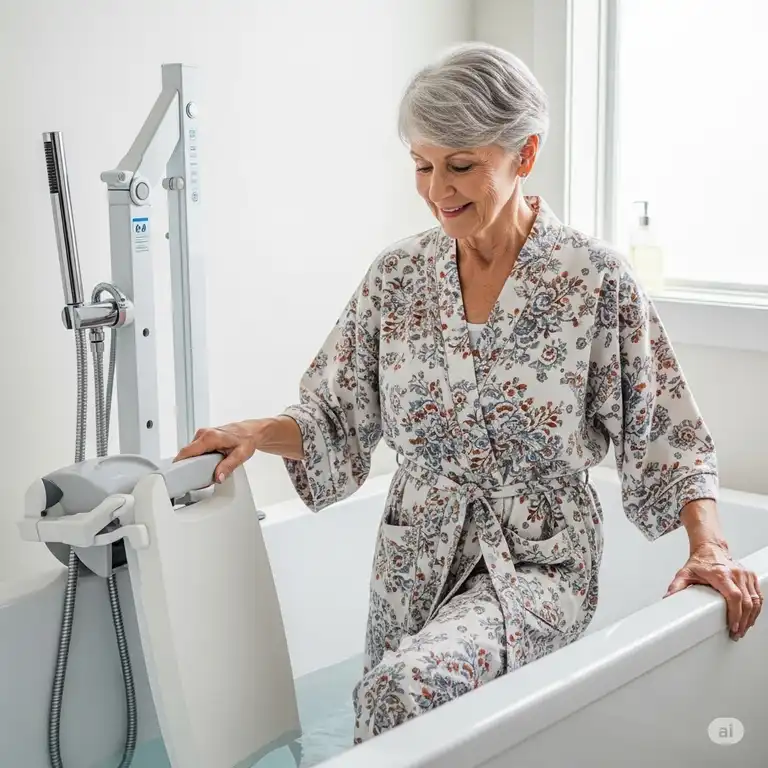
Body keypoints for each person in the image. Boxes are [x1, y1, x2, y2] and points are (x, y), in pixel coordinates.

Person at [175, 42, 762, 743]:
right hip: (412, 558)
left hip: (540, 562)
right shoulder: (397, 278)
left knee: (403, 691)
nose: (436, 190)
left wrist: (712, 548)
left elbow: (665, 429)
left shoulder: (592, 281)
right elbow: (336, 413)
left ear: (525, 153)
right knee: (397, 732)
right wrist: (255, 431)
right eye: (423, 165)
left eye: (461, 165)